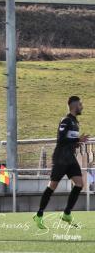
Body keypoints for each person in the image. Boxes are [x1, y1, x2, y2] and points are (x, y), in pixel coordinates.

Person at [33, 96, 90, 229]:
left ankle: (66, 214)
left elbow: (70, 142)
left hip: (70, 158)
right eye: (80, 104)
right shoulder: (66, 120)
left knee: (79, 184)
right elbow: (61, 139)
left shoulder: (76, 122)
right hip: (60, 159)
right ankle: (39, 215)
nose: (82, 107)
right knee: (52, 186)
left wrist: (76, 144)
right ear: (74, 106)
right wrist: (77, 141)